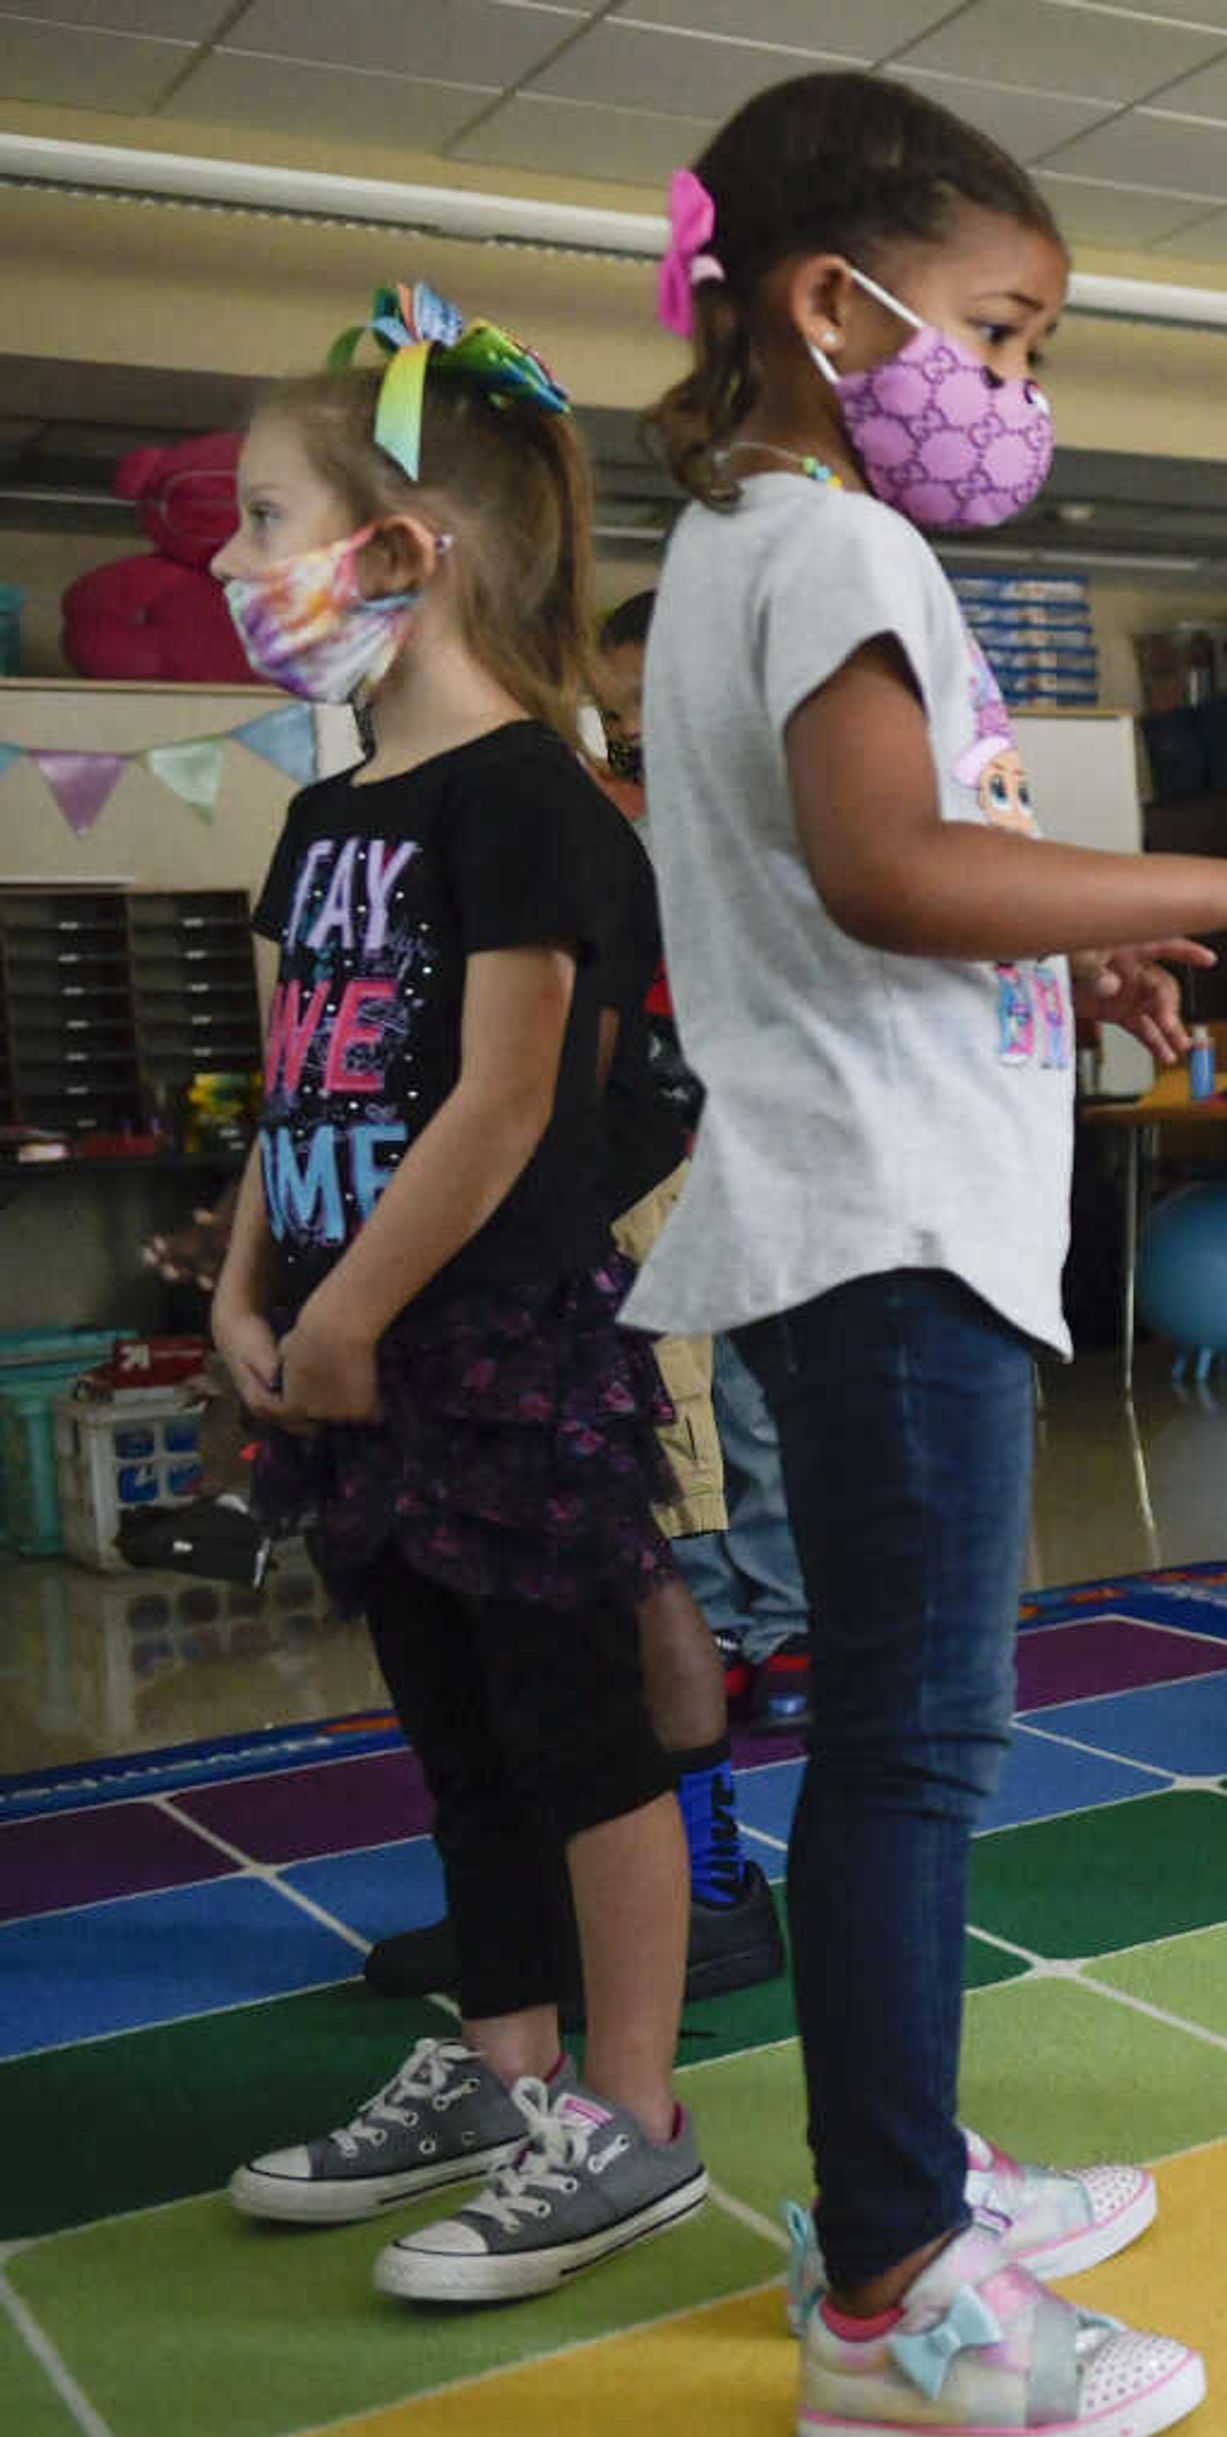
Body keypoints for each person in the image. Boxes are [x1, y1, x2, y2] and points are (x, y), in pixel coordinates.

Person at [632, 71, 1227, 2437]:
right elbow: (886, 868)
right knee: (912, 1747)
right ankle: (886, 2293)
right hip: (886, 1232)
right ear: (829, 303)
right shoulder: (840, 552)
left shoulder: (745, 548)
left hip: (867, 1206)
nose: (1022, 393)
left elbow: (874, 886)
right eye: (1002, 330)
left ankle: (900, 2173)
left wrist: (1062, 964)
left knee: (903, 1733)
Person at [209, 285, 709, 2299]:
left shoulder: (531, 807)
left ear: (394, 555)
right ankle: (502, 2067)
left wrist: (348, 1319)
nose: (236, 565)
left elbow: (506, 1105)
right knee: (459, 1737)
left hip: (492, 1354)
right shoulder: (331, 813)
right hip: (345, 1354)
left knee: (581, 1735)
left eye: (261, 519)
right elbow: (297, 1075)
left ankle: (635, 2113)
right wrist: (257, 1294)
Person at [356, 583, 788, 2009]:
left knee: (643, 1550)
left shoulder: (588, 807)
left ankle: (713, 1884)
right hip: (514, 1227)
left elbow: (569, 1065)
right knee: (518, 1574)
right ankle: (532, 1900)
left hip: (605, 1210)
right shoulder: (434, 798)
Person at [605, 589, 819, 1728]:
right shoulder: (615, 830)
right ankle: (714, 1618)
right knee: (665, 1405)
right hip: (641, 1159)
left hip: (751, 1151)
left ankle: (785, 1619)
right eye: (615, 716)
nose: (633, 732)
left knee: (748, 1400)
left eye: (650, 705)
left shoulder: (774, 817)